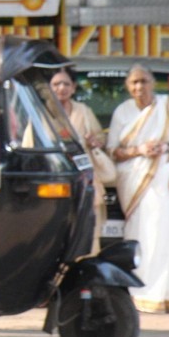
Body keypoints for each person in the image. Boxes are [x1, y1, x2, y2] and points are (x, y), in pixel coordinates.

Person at [107, 64, 169, 314]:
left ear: (153, 83)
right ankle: (144, 291)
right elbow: (114, 151)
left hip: (167, 180)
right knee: (145, 234)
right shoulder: (122, 112)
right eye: (134, 83)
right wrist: (140, 150)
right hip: (135, 183)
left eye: (143, 81)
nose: (139, 87)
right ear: (128, 87)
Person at [50, 66, 108, 252]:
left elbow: (101, 138)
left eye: (66, 83)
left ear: (73, 87)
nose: (61, 88)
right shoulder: (41, 112)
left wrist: (95, 142)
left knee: (88, 232)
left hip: (84, 179)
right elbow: (28, 143)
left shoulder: (83, 111)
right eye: (56, 84)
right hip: (53, 180)